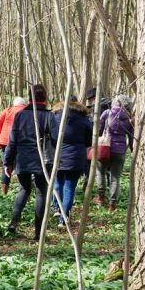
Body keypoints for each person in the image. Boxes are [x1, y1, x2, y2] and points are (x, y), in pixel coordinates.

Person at [4, 84, 58, 240]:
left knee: (24, 189)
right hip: (43, 160)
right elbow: (56, 139)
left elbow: (12, 141)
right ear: (45, 97)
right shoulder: (49, 116)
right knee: (41, 192)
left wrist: (8, 162)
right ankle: (38, 233)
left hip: (23, 159)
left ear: (30, 97)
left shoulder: (20, 115)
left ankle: (14, 221)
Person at [52, 97, 93, 227]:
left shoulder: (55, 117)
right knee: (69, 187)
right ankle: (63, 219)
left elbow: (50, 136)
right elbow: (89, 141)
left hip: (58, 154)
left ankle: (57, 208)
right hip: (77, 156)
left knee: (58, 183)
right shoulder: (84, 119)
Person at [96, 94, 134, 211]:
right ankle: (112, 204)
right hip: (120, 151)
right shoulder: (129, 119)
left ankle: (101, 197)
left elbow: (99, 129)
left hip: (105, 147)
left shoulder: (107, 113)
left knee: (101, 172)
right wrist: (132, 150)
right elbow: (131, 136)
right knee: (115, 178)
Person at [0, 96, 26, 194]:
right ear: (23, 104)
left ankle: (4, 191)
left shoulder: (8, 110)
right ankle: (24, 191)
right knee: (21, 166)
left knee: (6, 165)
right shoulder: (26, 111)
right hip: (20, 142)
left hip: (6, 141)